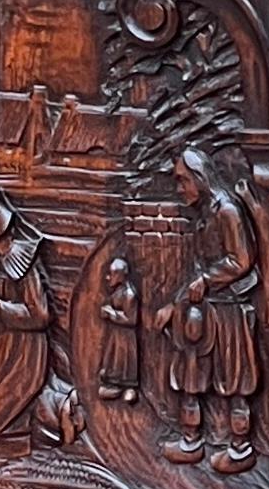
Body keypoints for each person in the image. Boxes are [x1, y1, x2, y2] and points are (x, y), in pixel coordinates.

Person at [154, 146, 260, 472]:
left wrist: (207, 280)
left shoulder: (226, 210)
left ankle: (240, 448)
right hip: (205, 309)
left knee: (235, 380)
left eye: (183, 180)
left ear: (200, 178)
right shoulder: (203, 215)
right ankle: (191, 441)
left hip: (228, 308)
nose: (179, 188)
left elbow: (241, 260)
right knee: (192, 374)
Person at [0, 186, 81, 447]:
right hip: (8, 345)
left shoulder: (23, 267)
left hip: (25, 352)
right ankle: (54, 405)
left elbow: (39, 316)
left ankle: (58, 407)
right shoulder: (5, 262)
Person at [97, 250, 141, 401]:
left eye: (112, 274)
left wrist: (111, 314)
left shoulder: (129, 295)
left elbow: (131, 319)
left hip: (126, 337)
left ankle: (129, 387)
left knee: (124, 361)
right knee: (113, 359)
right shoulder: (118, 292)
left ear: (121, 276)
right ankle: (113, 384)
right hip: (116, 335)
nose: (108, 277)